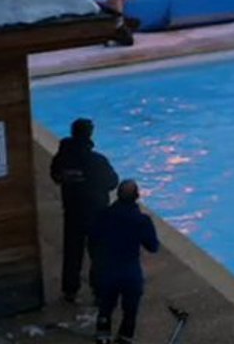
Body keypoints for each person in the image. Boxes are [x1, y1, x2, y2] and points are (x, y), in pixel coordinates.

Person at [50, 118, 120, 304]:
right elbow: (112, 182)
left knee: (72, 252)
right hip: (96, 212)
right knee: (98, 253)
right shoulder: (96, 161)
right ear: (89, 134)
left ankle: (70, 290)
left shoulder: (62, 157)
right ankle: (98, 290)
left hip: (72, 211)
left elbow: (55, 177)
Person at [92, 180, 160, 344]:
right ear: (137, 197)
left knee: (105, 306)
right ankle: (124, 338)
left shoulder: (104, 215)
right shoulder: (141, 220)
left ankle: (102, 336)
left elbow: (93, 238)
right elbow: (153, 247)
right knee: (130, 309)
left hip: (108, 268)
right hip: (129, 270)